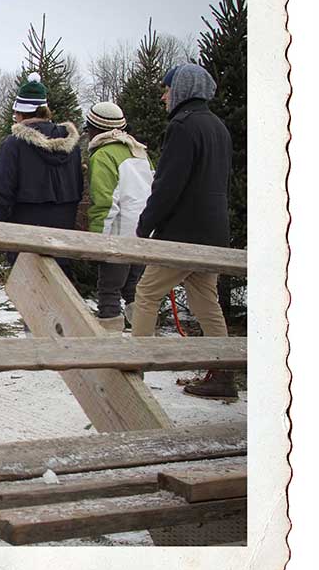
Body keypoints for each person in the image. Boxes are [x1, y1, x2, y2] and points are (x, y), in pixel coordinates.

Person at [131, 64, 235, 400]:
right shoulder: (218, 126)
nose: (163, 96)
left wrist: (146, 223)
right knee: (206, 302)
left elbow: (168, 184)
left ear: (182, 89)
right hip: (213, 232)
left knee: (146, 293)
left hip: (183, 234)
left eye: (167, 88)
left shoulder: (182, 126)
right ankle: (224, 373)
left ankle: (133, 371)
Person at [0, 72, 82, 271]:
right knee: (58, 293)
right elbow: (79, 186)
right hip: (63, 231)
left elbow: (2, 190)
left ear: (20, 113)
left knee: (28, 293)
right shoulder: (71, 144)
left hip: (25, 229)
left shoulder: (14, 144)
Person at [83, 101, 154, 328]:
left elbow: (104, 203)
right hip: (142, 235)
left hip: (118, 236)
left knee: (109, 292)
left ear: (95, 129)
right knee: (135, 291)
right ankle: (144, 339)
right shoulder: (139, 152)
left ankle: (109, 349)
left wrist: (96, 242)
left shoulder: (103, 155)